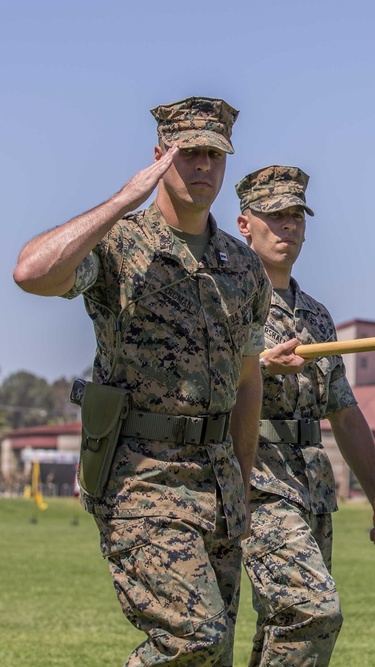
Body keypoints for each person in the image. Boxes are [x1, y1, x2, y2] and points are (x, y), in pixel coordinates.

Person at [13, 97, 271, 665]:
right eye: (189, 154)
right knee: (193, 640)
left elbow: (248, 382)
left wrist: (243, 482)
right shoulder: (119, 247)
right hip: (140, 480)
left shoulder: (242, 266)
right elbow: (32, 272)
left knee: (213, 652)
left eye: (214, 154)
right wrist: (122, 200)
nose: (204, 166)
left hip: (218, 482)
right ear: (160, 157)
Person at [234, 164, 375, 665]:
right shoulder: (224, 300)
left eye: (296, 216)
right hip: (255, 483)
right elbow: (198, 388)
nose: (287, 227)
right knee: (313, 612)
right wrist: (261, 365)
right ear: (245, 224)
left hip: (310, 488)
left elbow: (346, 415)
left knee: (280, 626)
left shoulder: (316, 315)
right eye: (274, 216)